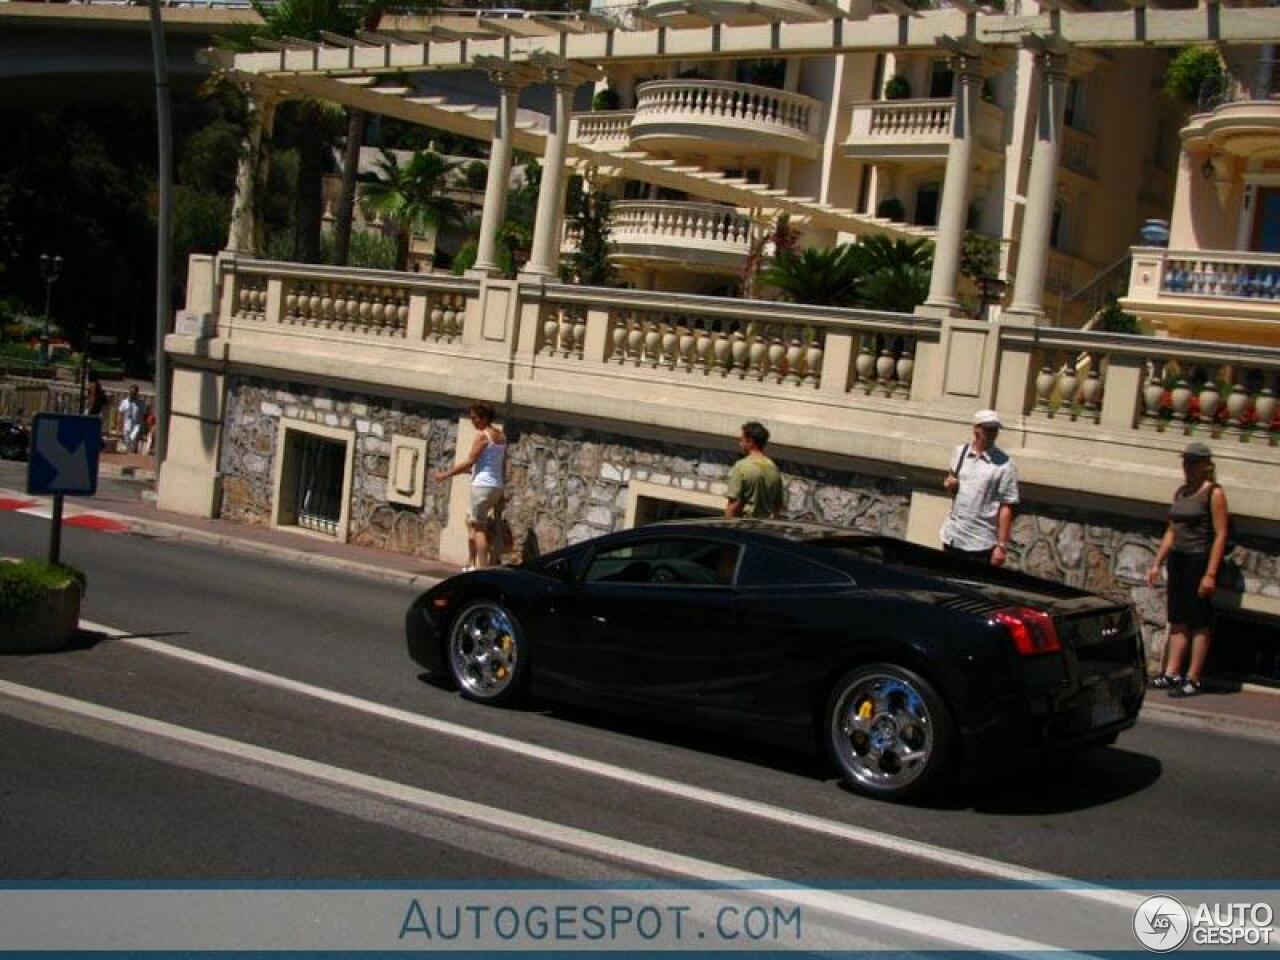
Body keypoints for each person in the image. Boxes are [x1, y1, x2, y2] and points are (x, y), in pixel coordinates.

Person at [1146, 442, 1230, 698]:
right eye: (1186, 462)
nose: (1188, 467)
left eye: (1194, 463)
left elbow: (1220, 534)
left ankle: (1193, 677)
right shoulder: (1181, 492)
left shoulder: (1213, 493)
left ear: (1206, 465)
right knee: (1178, 617)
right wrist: (1157, 562)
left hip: (1199, 558)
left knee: (1198, 620)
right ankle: (1172, 672)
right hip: (1179, 557)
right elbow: (1171, 531)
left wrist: (1211, 573)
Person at [941, 409, 1019, 566]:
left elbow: (1007, 506)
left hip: (980, 542)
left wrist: (1001, 546)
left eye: (995, 429)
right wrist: (949, 485)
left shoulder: (1004, 464)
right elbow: (952, 487)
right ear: (976, 429)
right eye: (988, 429)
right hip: (952, 536)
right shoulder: (960, 452)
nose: (992, 433)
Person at [435, 402, 507, 571]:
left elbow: (469, 462)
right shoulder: (502, 437)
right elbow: (498, 465)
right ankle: (472, 563)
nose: (472, 421)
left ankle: (482, 569)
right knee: (472, 522)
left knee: (479, 528)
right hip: (495, 486)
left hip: (481, 486)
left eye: (474, 418)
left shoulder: (482, 436)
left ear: (484, 418)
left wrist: (445, 475)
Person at [725, 420, 783, 519]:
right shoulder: (774, 469)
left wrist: (726, 526)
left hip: (745, 526)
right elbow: (777, 506)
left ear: (750, 442)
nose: (740, 444)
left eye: (742, 440)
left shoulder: (741, 467)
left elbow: (734, 503)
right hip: (764, 527)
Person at [117, 384, 145, 454]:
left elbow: (143, 415)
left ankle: (131, 453)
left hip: (136, 426)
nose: (132, 394)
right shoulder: (124, 402)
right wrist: (119, 426)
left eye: (134, 393)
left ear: (136, 393)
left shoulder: (140, 403)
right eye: (131, 392)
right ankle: (129, 456)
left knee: (132, 440)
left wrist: (143, 427)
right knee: (128, 444)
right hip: (126, 425)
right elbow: (120, 413)